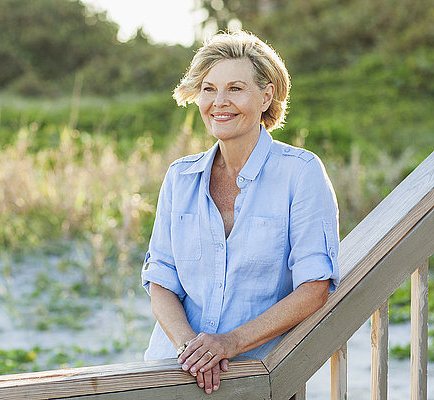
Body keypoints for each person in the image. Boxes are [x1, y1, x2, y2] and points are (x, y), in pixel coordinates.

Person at [141, 30, 340, 395]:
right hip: (173, 373)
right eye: (208, 89)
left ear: (266, 97)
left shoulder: (301, 173)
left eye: (235, 88)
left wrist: (229, 343)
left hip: (256, 376)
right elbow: (161, 280)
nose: (219, 102)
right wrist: (192, 351)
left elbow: (314, 288)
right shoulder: (179, 178)